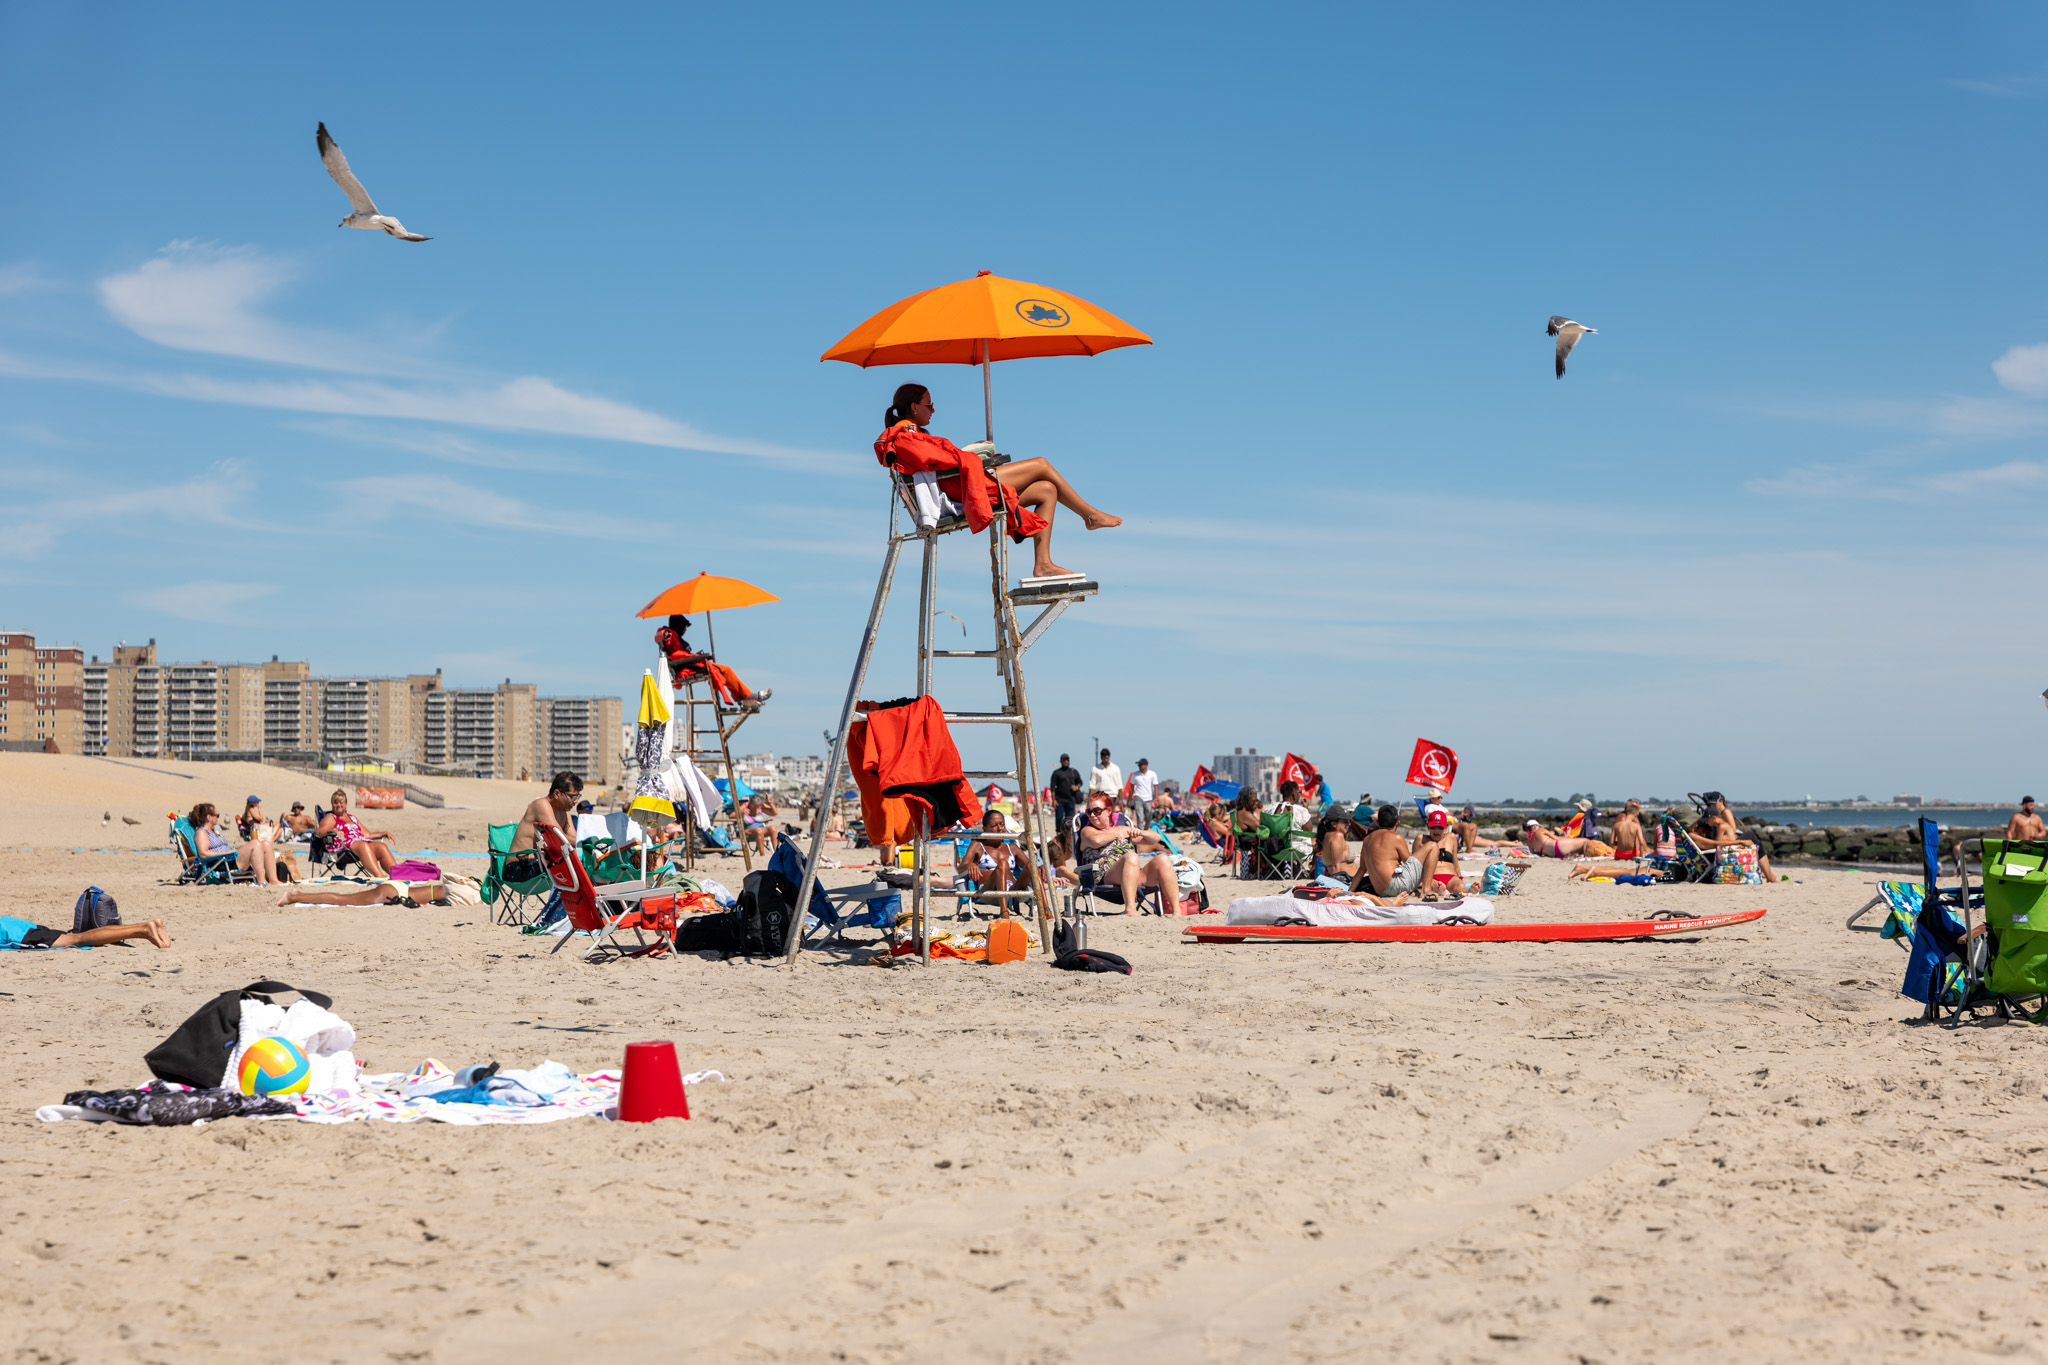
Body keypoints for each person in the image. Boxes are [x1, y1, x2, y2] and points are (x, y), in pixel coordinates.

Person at [875, 383, 1122, 579]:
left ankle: (1043, 565)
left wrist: (976, 454)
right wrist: (971, 457)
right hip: (963, 489)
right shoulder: (903, 436)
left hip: (962, 484)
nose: (934, 409)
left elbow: (938, 459)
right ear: (914, 407)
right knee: (1041, 464)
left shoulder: (913, 434)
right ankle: (1090, 515)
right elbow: (941, 461)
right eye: (929, 404)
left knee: (1047, 490)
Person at [1076, 803, 1180, 915]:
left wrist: (1141, 832)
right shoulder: (1087, 830)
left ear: (1108, 811)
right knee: (1131, 856)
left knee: (1163, 859)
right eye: (1088, 811)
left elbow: (1156, 838)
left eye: (1097, 811)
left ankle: (1176, 911)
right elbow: (1096, 841)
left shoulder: (1123, 829)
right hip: (1105, 876)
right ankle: (1130, 908)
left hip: (1132, 873)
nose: (1092, 814)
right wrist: (1117, 835)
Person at [654, 615, 767, 709]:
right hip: (688, 668)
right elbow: (665, 640)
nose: (685, 630)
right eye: (684, 627)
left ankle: (741, 697)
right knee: (726, 670)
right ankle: (747, 695)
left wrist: (697, 656)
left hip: (690, 665)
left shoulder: (675, 635)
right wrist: (696, 657)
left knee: (725, 671)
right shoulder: (670, 633)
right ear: (679, 626)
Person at [1354, 804, 1454, 899]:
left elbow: (1362, 869)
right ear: (1397, 823)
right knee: (1433, 846)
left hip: (1380, 891)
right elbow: (1408, 861)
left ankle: (1418, 888)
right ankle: (1426, 890)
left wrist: (1350, 891)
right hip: (1396, 886)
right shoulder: (1396, 837)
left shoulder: (1367, 840)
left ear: (1377, 822)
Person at [1691, 794, 1781, 882]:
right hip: (1716, 853)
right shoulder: (1694, 835)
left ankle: (1765, 873)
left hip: (1712, 852)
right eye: (1711, 804)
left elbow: (1719, 839)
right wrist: (1737, 841)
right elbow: (1717, 843)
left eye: (1713, 804)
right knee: (1752, 837)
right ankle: (1769, 876)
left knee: (1751, 838)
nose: (1712, 806)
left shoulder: (1693, 834)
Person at [190, 802, 283, 886]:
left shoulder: (213, 830)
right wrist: (227, 853)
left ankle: (273, 880)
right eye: (216, 815)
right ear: (209, 817)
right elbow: (203, 854)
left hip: (230, 857)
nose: (218, 817)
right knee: (255, 843)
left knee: (266, 844)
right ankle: (261, 881)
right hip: (222, 863)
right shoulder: (201, 832)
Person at [315, 790, 397, 880]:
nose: (338, 805)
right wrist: (334, 832)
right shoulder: (330, 817)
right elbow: (319, 832)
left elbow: (368, 835)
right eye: (335, 803)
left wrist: (384, 833)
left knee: (382, 847)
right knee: (363, 846)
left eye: (341, 802)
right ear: (332, 804)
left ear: (346, 804)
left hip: (359, 845)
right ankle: (379, 875)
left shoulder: (352, 817)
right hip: (341, 849)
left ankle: (397, 874)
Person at [962, 808, 1026, 909]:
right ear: (984, 829)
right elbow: (961, 867)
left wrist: (1040, 868)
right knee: (1003, 864)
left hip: (1013, 888)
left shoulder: (1012, 848)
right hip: (989, 889)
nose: (1000, 828)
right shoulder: (977, 846)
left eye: (1002, 824)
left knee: (1032, 866)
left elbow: (1031, 868)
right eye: (994, 825)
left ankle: (1046, 909)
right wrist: (970, 865)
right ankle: (1004, 911)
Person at [512, 773, 584, 855]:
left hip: (541, 864)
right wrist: (585, 843)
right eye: (572, 797)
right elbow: (559, 838)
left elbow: (575, 838)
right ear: (557, 794)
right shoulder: (541, 804)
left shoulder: (565, 811)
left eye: (577, 797)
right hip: (520, 863)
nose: (576, 801)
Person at [1, 915, 170, 949]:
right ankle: (144, 928)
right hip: (14, 924)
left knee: (78, 940)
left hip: (16, 935)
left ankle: (144, 929)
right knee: (74, 937)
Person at [276, 880, 445, 909]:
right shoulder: (452, 893)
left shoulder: (447, 888)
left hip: (398, 889)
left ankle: (300, 894)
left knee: (342, 898)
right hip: (390, 894)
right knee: (340, 900)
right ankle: (292, 898)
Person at [1415, 809, 1469, 896]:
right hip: (1431, 878)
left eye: (1440, 827)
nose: (1437, 831)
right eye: (1433, 827)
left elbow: (1455, 863)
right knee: (1437, 886)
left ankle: (1455, 892)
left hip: (1451, 877)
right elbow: (1414, 866)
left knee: (1461, 887)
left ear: (1445, 827)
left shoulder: (1451, 837)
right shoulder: (1421, 839)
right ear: (1428, 827)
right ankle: (1443, 891)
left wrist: (1460, 879)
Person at [1313, 806, 1358, 887]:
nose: (1349, 823)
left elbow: (1329, 867)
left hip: (1347, 880)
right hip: (1348, 882)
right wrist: (1335, 887)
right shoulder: (1338, 836)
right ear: (1334, 824)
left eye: (1349, 821)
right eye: (1345, 821)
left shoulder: (1326, 837)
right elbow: (1335, 866)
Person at [1521, 819, 1593, 860]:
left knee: (1580, 848)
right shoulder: (1541, 830)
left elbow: (1533, 853)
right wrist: (1567, 835)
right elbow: (1557, 838)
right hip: (1558, 845)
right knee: (1585, 841)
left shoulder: (1529, 841)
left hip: (1555, 855)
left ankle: (1582, 854)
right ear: (1535, 825)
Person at [1050, 753, 1084, 834]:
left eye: (1067, 760)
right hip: (1059, 800)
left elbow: (1080, 782)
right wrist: (1053, 800)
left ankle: (1069, 834)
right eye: (1064, 760)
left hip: (1071, 799)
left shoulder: (1073, 772)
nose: (1066, 761)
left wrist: (1076, 787)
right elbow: (1052, 787)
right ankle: (1059, 833)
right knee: (1059, 818)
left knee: (1069, 819)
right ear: (1061, 761)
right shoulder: (1056, 773)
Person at [742, 793, 777, 859]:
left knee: (773, 828)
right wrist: (741, 813)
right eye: (754, 806)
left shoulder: (760, 807)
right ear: (751, 804)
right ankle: (762, 855)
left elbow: (775, 813)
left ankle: (777, 853)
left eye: (757, 806)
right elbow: (731, 816)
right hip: (748, 829)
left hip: (760, 828)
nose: (756, 808)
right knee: (758, 830)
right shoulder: (744, 807)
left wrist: (769, 801)